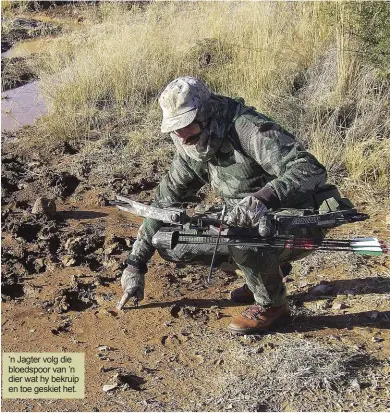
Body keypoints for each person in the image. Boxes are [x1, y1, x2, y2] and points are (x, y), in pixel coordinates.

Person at [120, 76, 329, 334]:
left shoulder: (248, 129)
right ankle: (268, 272)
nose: (182, 137)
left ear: (206, 114)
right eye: (175, 129)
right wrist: (135, 264)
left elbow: (311, 169)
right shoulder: (191, 144)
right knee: (169, 241)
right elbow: (165, 200)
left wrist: (262, 199)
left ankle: (273, 305)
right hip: (247, 225)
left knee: (238, 236)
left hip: (299, 220)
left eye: (186, 125)